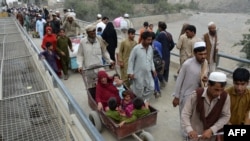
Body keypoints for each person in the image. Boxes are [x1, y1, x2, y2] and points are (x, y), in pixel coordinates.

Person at [181, 72, 231, 141]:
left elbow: (226, 116)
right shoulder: (196, 95)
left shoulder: (225, 97)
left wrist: (212, 130)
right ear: (209, 85)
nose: (218, 93)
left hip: (210, 138)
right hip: (194, 137)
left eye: (221, 90)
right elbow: (185, 114)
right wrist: (189, 129)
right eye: (216, 90)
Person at [172, 41, 209, 122]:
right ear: (194, 53)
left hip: (199, 95)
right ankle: (185, 134)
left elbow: (205, 75)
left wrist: (206, 80)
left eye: (205, 54)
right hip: (186, 95)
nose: (203, 56)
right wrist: (176, 97)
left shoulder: (205, 63)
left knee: (194, 117)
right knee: (184, 116)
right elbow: (179, 80)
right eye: (200, 54)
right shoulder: (187, 64)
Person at [127, 31, 157, 101]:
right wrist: (130, 72)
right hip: (138, 73)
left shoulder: (150, 48)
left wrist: (153, 69)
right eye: (148, 40)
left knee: (151, 87)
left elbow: (151, 60)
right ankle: (137, 103)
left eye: (151, 40)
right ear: (143, 39)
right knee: (138, 90)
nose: (150, 41)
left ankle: (142, 100)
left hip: (148, 73)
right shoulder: (136, 49)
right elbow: (131, 61)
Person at [151, 32, 163, 96]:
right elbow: (161, 54)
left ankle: (156, 90)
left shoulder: (150, 45)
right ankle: (158, 90)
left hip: (153, 64)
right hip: (159, 63)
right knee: (156, 77)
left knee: (154, 77)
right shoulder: (159, 44)